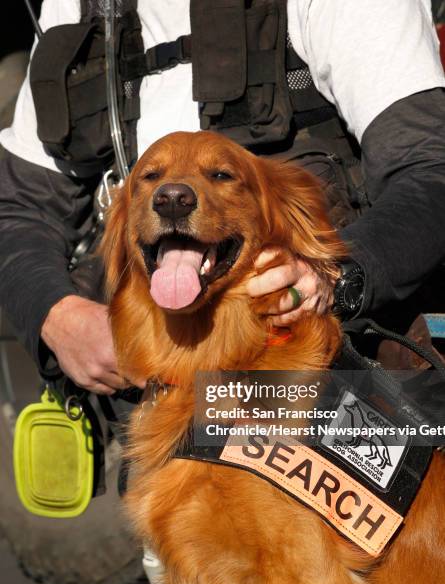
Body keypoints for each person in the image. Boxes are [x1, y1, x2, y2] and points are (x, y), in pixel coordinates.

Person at [0, 0, 445, 396]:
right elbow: (20, 208)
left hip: (325, 382)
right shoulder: (76, 6)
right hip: (153, 397)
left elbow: (430, 169)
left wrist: (335, 276)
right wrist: (56, 317)